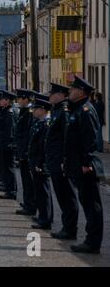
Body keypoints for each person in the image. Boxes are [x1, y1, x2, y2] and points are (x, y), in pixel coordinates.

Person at [65, 76, 103, 254]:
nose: (69, 92)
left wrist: (87, 163)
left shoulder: (86, 110)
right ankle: (91, 239)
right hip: (78, 164)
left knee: (91, 204)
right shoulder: (79, 109)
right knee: (87, 202)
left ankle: (93, 241)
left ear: (81, 92)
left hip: (85, 166)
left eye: (72, 89)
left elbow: (90, 140)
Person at [46, 83, 79, 240]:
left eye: (52, 94)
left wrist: (64, 160)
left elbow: (67, 138)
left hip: (60, 161)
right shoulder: (56, 110)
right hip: (54, 160)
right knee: (61, 194)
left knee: (67, 195)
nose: (49, 96)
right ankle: (67, 227)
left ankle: (70, 228)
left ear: (60, 95)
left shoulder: (64, 112)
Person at [28, 97, 53, 230]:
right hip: (35, 160)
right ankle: (42, 215)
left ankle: (46, 219)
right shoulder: (39, 123)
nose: (33, 111)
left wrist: (40, 163)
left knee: (43, 191)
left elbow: (43, 147)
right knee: (39, 190)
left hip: (40, 162)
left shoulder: (46, 124)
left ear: (43, 110)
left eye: (36, 109)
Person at [14, 89, 37, 216]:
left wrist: (25, 151)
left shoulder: (29, 113)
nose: (18, 101)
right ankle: (28, 202)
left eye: (20, 99)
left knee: (28, 180)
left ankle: (31, 204)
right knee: (25, 179)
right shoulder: (25, 112)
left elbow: (27, 134)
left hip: (26, 151)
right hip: (22, 150)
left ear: (26, 99)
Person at [0, 91, 17, 200]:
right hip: (2, 144)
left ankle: (11, 190)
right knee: (4, 168)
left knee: (8, 168)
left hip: (6, 146)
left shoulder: (9, 113)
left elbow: (9, 132)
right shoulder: (4, 111)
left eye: (1, 99)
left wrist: (7, 145)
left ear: (7, 101)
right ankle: (7, 187)